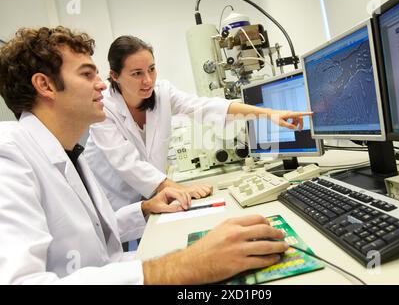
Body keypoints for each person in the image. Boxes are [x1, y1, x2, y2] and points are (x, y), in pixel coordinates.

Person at [0, 26, 289, 284]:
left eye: (151, 70)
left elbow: (99, 240)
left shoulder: (68, 153)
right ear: (45, 85)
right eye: (87, 74)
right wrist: (180, 267)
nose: (100, 84)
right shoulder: (8, 154)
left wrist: (144, 209)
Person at [84, 35, 311, 225]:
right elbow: (127, 164)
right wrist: (181, 189)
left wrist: (269, 114)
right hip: (114, 202)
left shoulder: (162, 92)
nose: (148, 80)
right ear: (115, 75)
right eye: (137, 73)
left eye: (151, 69)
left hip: (152, 196)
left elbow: (205, 106)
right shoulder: (102, 107)